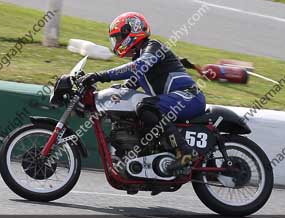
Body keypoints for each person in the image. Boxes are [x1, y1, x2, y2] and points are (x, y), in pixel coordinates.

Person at [82, 12, 207, 175]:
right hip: (177, 101)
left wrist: (100, 75)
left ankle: (184, 153)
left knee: (146, 106)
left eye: (119, 37)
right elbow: (128, 86)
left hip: (189, 97)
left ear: (132, 32)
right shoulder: (139, 58)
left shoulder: (153, 47)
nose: (117, 42)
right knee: (133, 113)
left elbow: (138, 67)